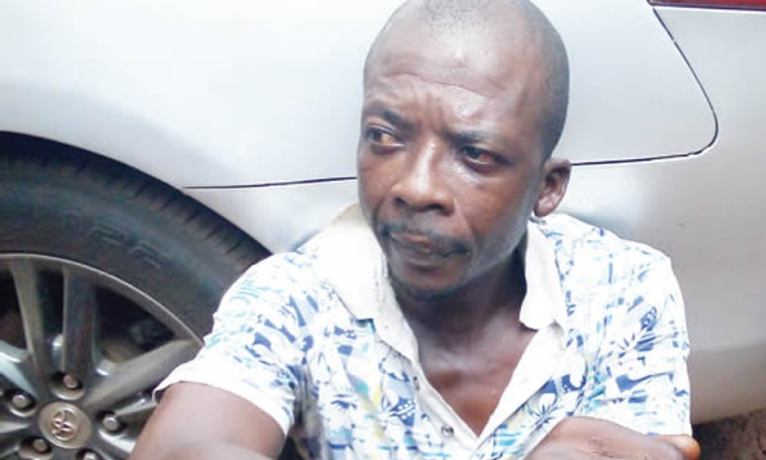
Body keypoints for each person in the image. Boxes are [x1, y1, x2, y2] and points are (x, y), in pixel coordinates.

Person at [132, 0, 699, 458]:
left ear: (546, 188)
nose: (415, 186)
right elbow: (183, 447)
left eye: (475, 155)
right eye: (385, 136)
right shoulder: (294, 300)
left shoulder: (623, 291)